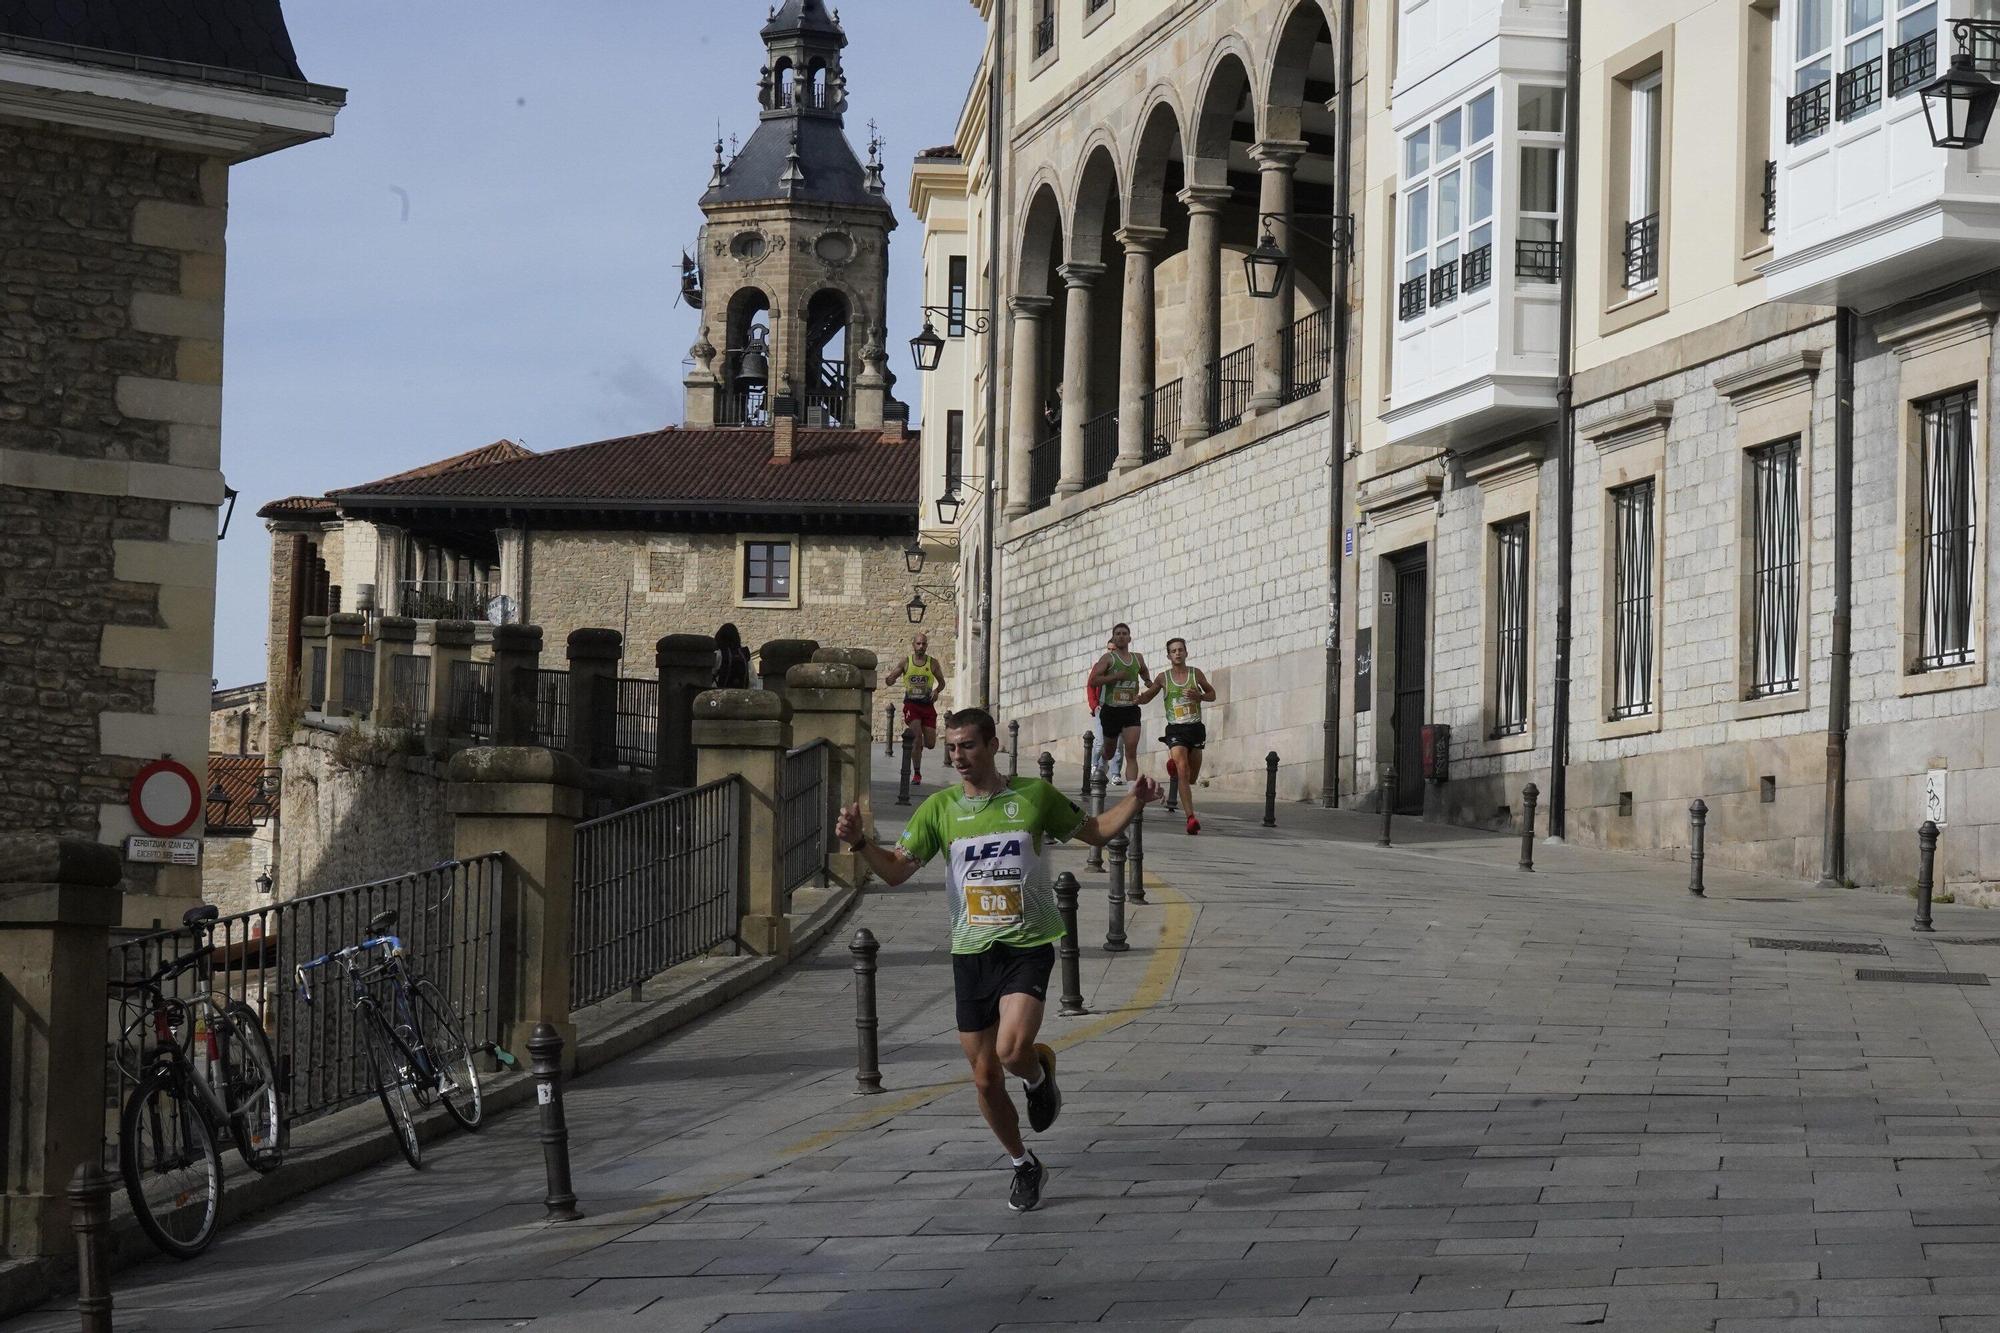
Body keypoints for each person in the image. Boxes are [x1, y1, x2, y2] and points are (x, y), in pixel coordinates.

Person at [836, 708, 1159, 1213]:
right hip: (971, 954)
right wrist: (860, 843)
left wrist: (1134, 800)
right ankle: (1023, 1162)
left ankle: (1033, 1073)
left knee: (1010, 1051)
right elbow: (896, 872)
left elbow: (1094, 832)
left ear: (992, 745)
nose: (957, 757)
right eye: (950, 748)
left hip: (1026, 945)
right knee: (984, 1078)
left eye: (966, 746)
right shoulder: (940, 809)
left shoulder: (1033, 797)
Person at [1138, 636, 1216, 835]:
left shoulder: (1195, 673)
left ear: (1186, 653)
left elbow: (1212, 694)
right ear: (1168, 656)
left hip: (1195, 728)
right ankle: (1190, 818)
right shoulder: (1163, 678)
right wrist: (1136, 698)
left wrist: (1200, 696)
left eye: (1180, 650)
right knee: (1183, 769)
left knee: (1191, 777)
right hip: (1175, 729)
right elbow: (1147, 697)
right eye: (1173, 651)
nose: (1178, 653)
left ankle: (1174, 768)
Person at [1088, 624, 1149, 786]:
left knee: (1131, 753)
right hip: (1111, 711)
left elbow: (1143, 670)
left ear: (1129, 638)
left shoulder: (1138, 658)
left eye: (1124, 634)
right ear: (1114, 638)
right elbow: (1093, 681)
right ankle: (1103, 762)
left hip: (1130, 710)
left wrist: (1148, 681)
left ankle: (1131, 793)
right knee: (1109, 751)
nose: (1121, 636)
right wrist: (1113, 678)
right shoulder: (1108, 659)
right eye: (1118, 634)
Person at [884, 632, 946, 786]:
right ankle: (917, 773)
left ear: (927, 645)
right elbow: (892, 677)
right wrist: (890, 679)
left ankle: (916, 747)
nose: (921, 647)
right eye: (918, 643)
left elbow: (942, 683)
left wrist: (936, 691)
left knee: (930, 743)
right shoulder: (906, 662)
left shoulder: (932, 663)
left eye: (924, 644)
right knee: (917, 736)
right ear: (913, 645)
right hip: (912, 705)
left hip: (927, 705)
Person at [712, 622, 751, 690]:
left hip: (719, 694)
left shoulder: (718, 655)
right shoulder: (745, 656)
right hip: (741, 695)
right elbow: (753, 681)